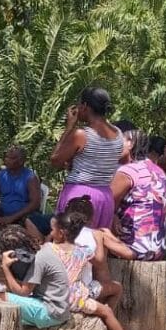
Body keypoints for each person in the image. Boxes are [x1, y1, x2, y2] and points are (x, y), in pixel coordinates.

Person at [49, 87, 123, 229]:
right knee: (96, 245)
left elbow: (55, 160)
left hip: (80, 198)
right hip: (104, 197)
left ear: (85, 107)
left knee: (70, 244)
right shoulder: (118, 134)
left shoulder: (82, 134)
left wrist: (69, 127)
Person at [110, 124, 166, 261]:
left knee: (89, 231)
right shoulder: (158, 170)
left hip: (133, 248)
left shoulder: (128, 171)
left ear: (130, 143)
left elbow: (104, 205)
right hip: (157, 250)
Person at [0, 146, 47, 235]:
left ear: (21, 161)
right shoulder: (0, 176)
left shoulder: (30, 178)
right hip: (3, 213)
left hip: (23, 214)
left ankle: (30, 245)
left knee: (30, 219)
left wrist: (12, 218)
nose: (7, 160)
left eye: (11, 158)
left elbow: (35, 204)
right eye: (6, 157)